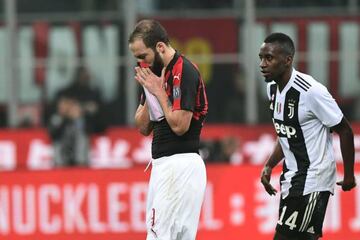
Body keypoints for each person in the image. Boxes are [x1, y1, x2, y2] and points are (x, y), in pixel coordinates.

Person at [258, 32, 356, 240]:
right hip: (292, 180)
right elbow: (286, 134)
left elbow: (345, 130)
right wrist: (269, 165)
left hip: (314, 178)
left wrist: (348, 175)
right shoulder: (272, 89)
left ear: (287, 60)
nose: (263, 64)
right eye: (261, 58)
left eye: (269, 58)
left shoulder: (311, 91)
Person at [128, 19, 208, 240]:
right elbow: (143, 126)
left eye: (143, 56)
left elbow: (180, 126)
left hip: (180, 164)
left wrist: (159, 91)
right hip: (163, 165)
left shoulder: (185, 71)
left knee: (158, 235)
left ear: (160, 47)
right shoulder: (153, 74)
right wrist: (150, 89)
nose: (140, 62)